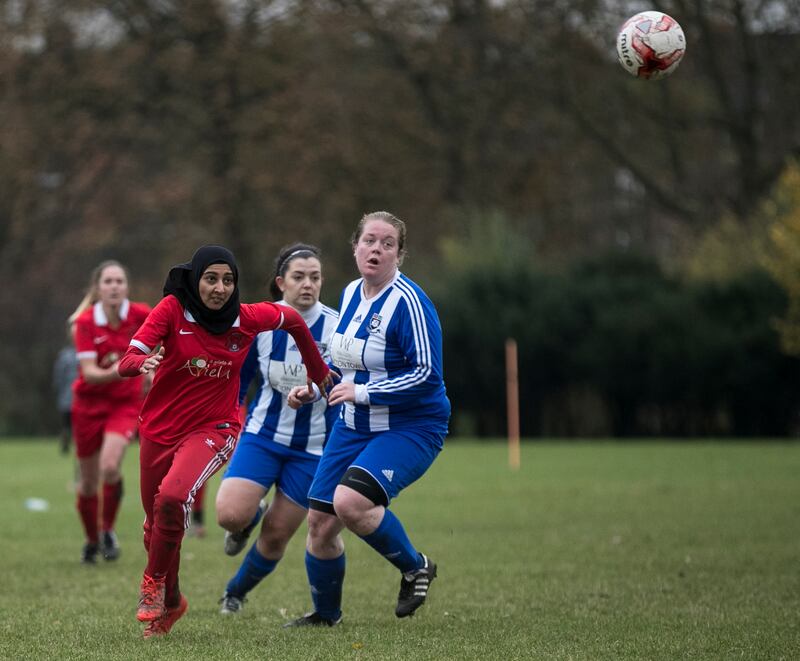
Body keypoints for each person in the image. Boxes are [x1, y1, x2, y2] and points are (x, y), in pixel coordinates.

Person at [117, 244, 335, 640]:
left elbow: (294, 322)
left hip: (214, 428)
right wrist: (140, 363)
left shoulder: (246, 318)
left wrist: (316, 369)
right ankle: (172, 600)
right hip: (158, 429)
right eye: (211, 278)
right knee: (156, 527)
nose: (219, 288)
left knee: (172, 498)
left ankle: (151, 584)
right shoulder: (171, 310)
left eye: (228, 280)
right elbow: (129, 355)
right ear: (196, 279)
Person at [284, 211, 450, 627]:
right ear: (355, 246)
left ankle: (416, 567)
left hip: (411, 426)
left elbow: (427, 374)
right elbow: (341, 359)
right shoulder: (353, 292)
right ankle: (325, 616)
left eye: (387, 243)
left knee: (351, 503)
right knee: (320, 524)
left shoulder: (410, 302)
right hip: (355, 425)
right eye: (369, 241)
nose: (376, 249)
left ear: (400, 253)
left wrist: (364, 392)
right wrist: (315, 385)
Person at [215, 243, 340, 615]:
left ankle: (235, 591)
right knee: (230, 516)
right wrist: (230, 422)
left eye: (315, 277)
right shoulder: (260, 322)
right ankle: (249, 516)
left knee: (275, 536)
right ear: (281, 282)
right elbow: (241, 379)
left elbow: (343, 389)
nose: (308, 284)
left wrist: (338, 447)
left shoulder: (337, 327)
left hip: (313, 449)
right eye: (299, 277)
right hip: (262, 437)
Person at [69, 260, 151, 564]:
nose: (114, 286)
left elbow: (171, 339)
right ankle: (91, 541)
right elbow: (90, 374)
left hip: (125, 404)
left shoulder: (142, 314)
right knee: (89, 483)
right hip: (88, 406)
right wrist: (129, 368)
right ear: (98, 288)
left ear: (126, 287)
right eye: (108, 281)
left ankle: (107, 530)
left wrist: (155, 368)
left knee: (109, 467)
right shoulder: (87, 322)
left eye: (119, 281)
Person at [52, 333, 79, 455]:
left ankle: (69, 441)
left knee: (69, 424)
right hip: (72, 397)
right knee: (71, 424)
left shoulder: (64, 355)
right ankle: (68, 441)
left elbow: (58, 377)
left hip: (68, 397)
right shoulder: (67, 355)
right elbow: (59, 377)